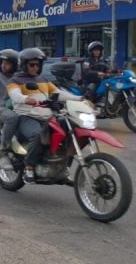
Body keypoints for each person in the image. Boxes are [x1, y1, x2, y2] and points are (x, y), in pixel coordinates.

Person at [7, 48, 84, 183]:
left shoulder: (42, 80)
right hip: (26, 117)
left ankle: (63, 167)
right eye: (32, 65)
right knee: (37, 134)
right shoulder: (15, 80)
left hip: (47, 117)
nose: (35, 68)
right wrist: (26, 99)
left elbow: (58, 93)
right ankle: (29, 167)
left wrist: (79, 99)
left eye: (38, 65)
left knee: (72, 128)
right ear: (24, 65)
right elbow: (15, 95)